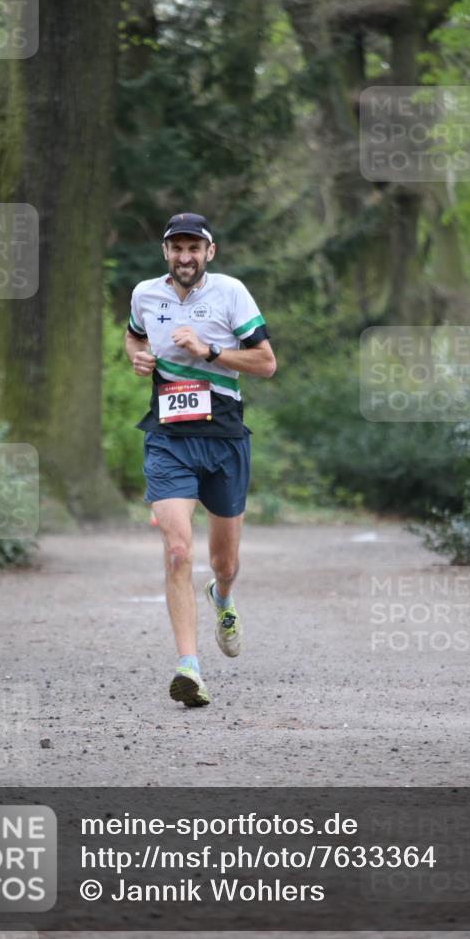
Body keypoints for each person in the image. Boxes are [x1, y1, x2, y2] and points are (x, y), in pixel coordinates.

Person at [124, 213, 276, 708]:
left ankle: (223, 598)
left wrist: (209, 352)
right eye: (176, 248)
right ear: (165, 253)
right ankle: (188, 667)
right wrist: (138, 355)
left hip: (225, 437)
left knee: (224, 562)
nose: (185, 257)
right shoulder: (145, 294)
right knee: (176, 551)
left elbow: (267, 364)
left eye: (194, 248)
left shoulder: (231, 293)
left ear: (210, 252)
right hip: (168, 437)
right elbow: (134, 334)